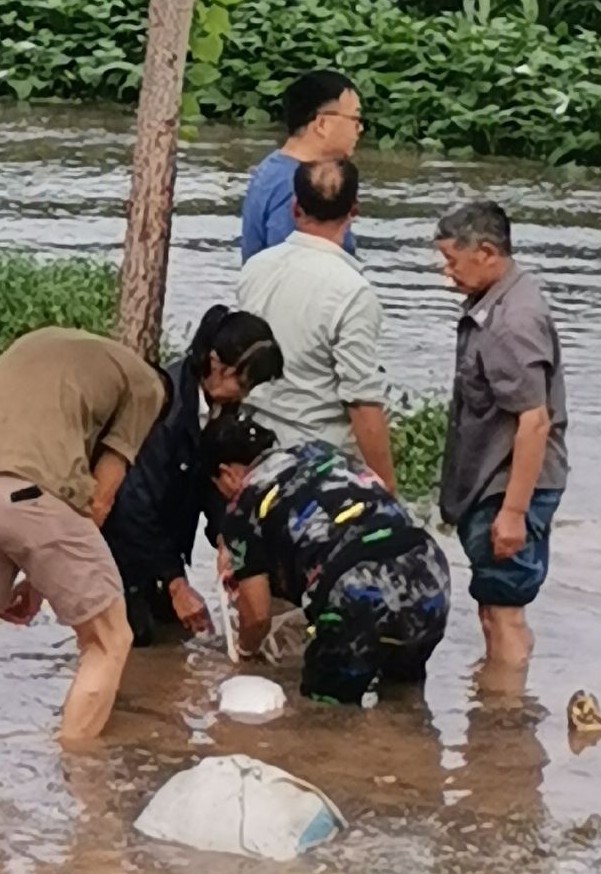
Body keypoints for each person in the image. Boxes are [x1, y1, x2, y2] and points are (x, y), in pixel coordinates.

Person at [0, 327, 167, 744]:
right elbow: (100, 499)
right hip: (34, 498)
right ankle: (78, 771)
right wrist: (42, 580)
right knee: (110, 639)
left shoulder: (45, 345)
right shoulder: (149, 386)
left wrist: (39, 584)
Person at [205, 413, 451, 704]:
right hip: (431, 574)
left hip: (358, 593)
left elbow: (257, 616)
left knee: (326, 716)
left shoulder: (244, 503)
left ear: (226, 473)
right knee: (404, 702)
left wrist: (244, 655)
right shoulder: (322, 453)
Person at [434, 200, 569, 673]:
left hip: (509, 484)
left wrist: (513, 512)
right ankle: (499, 700)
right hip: (496, 480)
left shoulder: (511, 323)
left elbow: (534, 422)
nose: (445, 272)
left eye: (452, 260)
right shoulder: (496, 304)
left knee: (504, 612)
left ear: (487, 252)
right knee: (493, 608)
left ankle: (504, 722)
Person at [102, 306, 283, 647]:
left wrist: (225, 537)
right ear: (215, 363)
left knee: (172, 640)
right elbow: (132, 506)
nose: (243, 396)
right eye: (242, 383)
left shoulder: (219, 410)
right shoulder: (163, 406)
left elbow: (211, 482)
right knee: (124, 644)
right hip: (123, 548)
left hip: (164, 546)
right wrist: (175, 583)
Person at [237, 156, 394, 488]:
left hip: (255, 453)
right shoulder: (353, 292)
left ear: (295, 207)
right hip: (322, 467)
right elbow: (362, 400)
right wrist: (386, 485)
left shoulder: (255, 269)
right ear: (355, 210)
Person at [239, 69, 363, 261]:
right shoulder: (300, 184)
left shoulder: (272, 168)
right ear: (322, 124)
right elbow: (293, 269)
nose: (360, 128)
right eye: (355, 119)